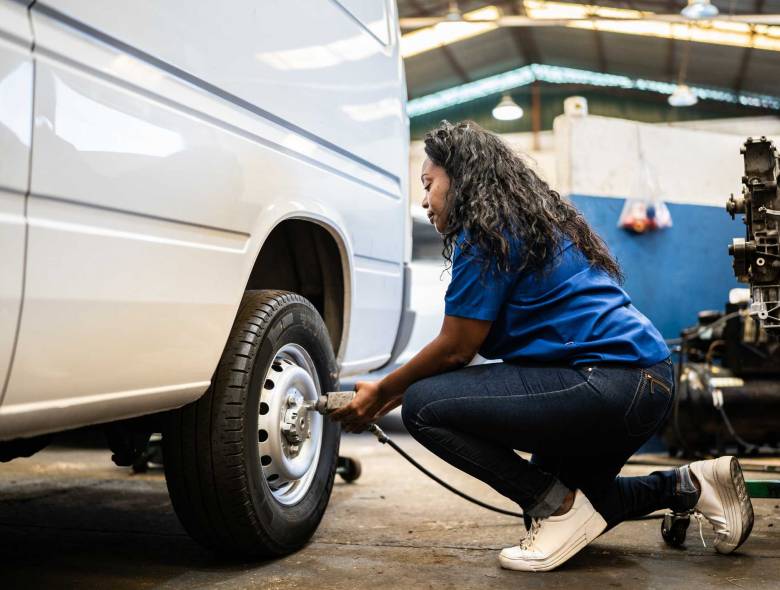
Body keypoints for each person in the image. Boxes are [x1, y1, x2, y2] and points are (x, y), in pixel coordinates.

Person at [331, 120, 754, 572]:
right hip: (644, 382)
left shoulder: (485, 231)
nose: (424, 199)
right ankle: (688, 484)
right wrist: (380, 399)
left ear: (460, 177)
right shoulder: (537, 223)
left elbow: (457, 348)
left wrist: (383, 392)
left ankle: (562, 508)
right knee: (571, 503)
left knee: (423, 407)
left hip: (608, 382)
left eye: (428, 184)